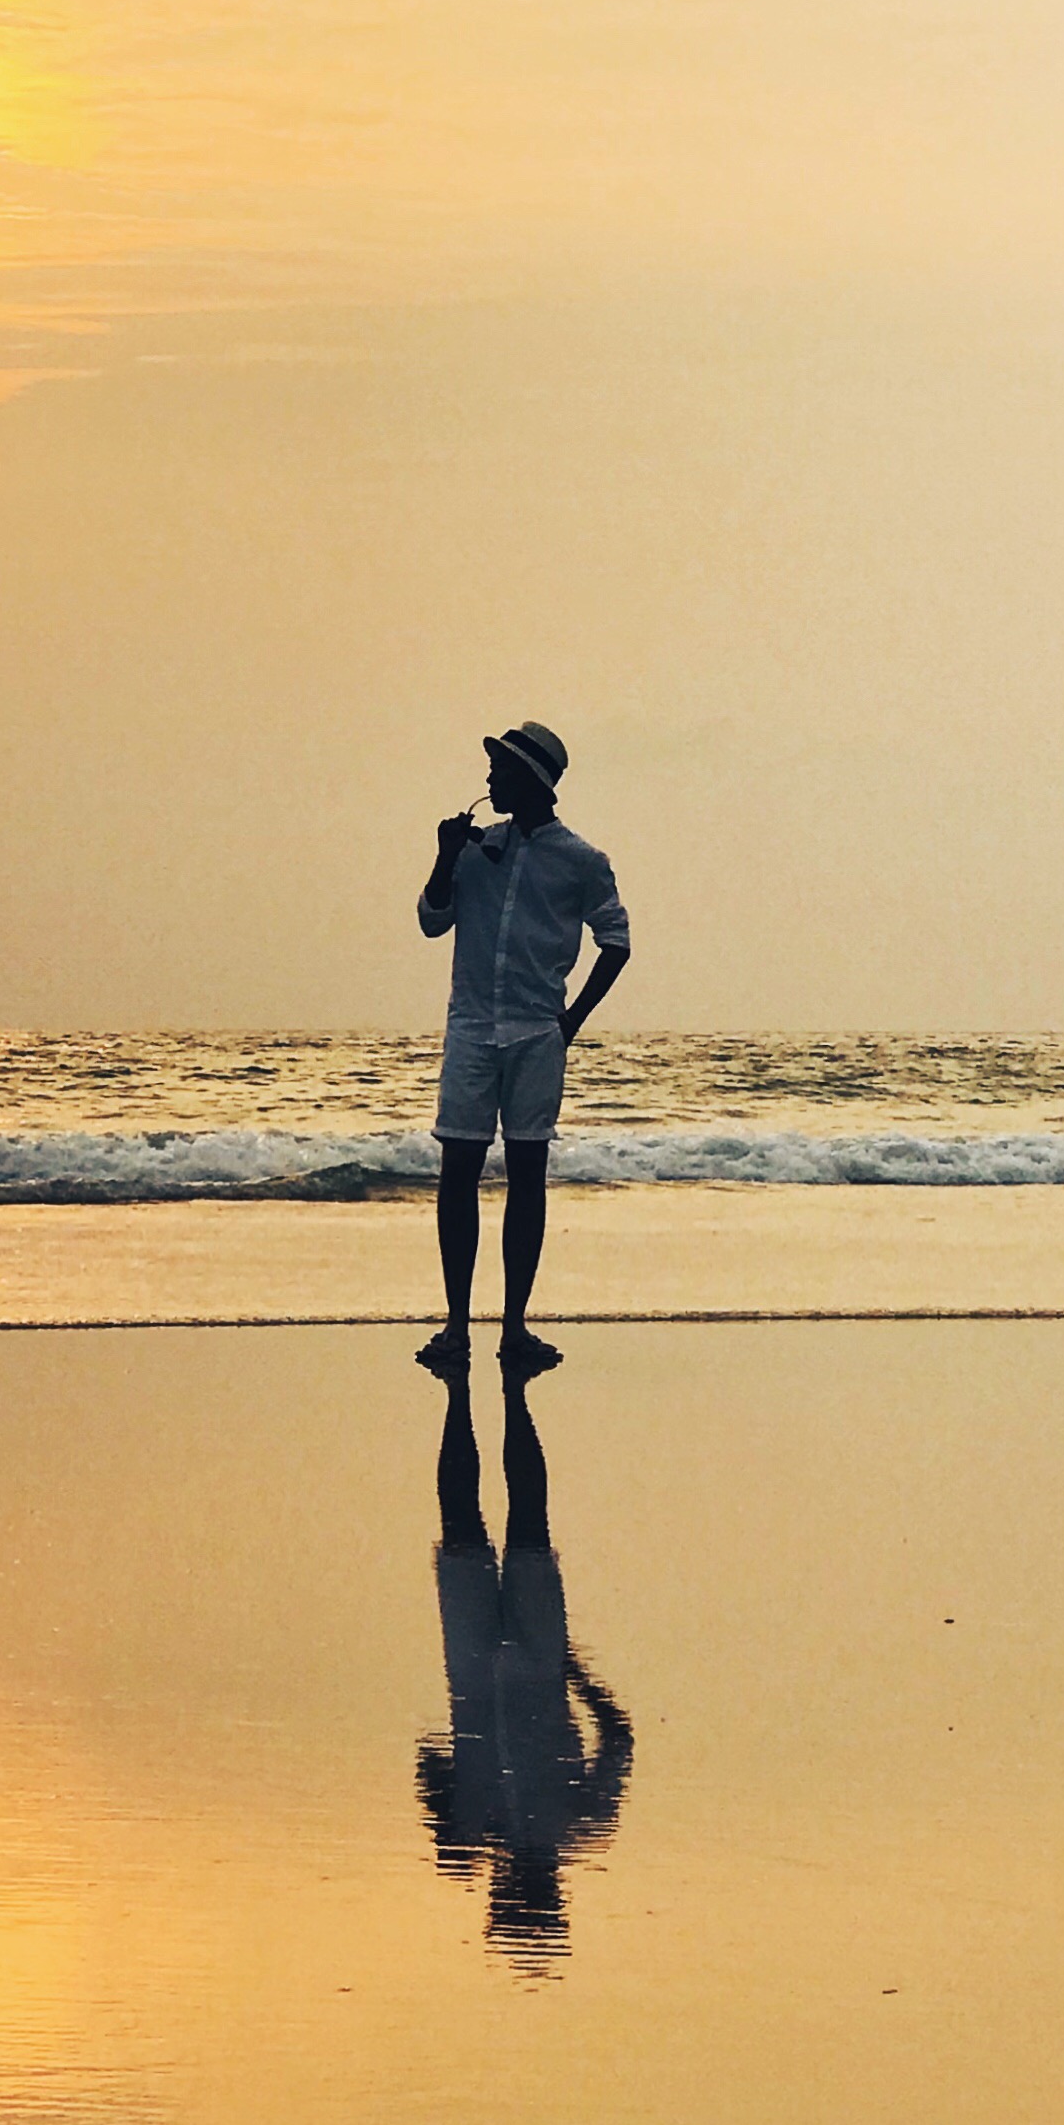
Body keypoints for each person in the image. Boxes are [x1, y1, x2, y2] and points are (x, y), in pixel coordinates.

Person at [416, 720, 630, 1370]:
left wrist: (570, 1022)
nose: (489, 780)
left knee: (527, 1175)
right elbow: (431, 921)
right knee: (458, 1171)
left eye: (501, 771)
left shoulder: (582, 861)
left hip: (538, 1032)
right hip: (472, 1028)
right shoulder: (477, 847)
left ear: (531, 780)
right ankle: (457, 1325)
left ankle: (513, 1327)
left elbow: (616, 942)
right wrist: (445, 855)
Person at [416, 1352, 635, 1969]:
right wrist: (573, 1673)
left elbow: (426, 1765)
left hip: (491, 1669)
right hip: (531, 1668)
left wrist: (447, 1831)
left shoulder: (475, 1836)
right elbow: (620, 1738)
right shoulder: (577, 1826)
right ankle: (503, 1396)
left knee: (474, 1524)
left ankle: (466, 1396)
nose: (499, 1889)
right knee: (520, 1524)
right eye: (508, 1899)